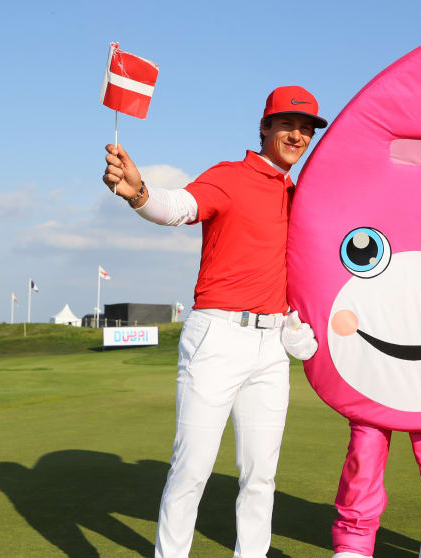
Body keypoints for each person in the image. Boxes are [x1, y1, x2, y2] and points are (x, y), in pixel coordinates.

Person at [101, 85, 326, 558]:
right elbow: (179, 207)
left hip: (270, 347)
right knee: (192, 469)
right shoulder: (229, 176)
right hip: (217, 337)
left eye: (306, 128)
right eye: (287, 124)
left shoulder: (300, 196)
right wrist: (139, 193)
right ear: (265, 126)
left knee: (261, 474)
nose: (297, 135)